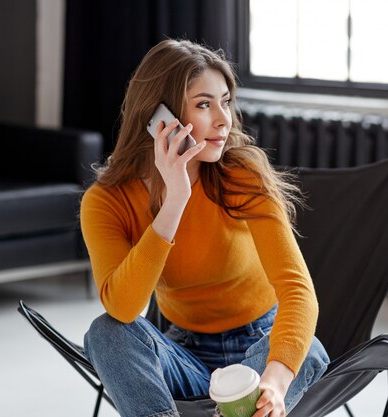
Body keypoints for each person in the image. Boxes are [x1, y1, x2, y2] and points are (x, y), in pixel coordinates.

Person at [80, 38, 329, 417]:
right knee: (104, 333)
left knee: (306, 349)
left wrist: (275, 384)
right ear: (158, 116)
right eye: (203, 104)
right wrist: (175, 198)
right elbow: (124, 308)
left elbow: (298, 291)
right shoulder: (106, 202)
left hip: (260, 343)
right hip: (187, 355)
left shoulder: (242, 175)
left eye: (225, 102)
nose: (223, 119)